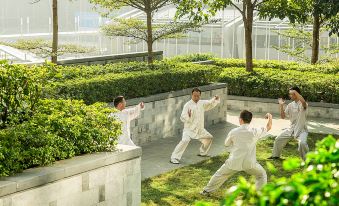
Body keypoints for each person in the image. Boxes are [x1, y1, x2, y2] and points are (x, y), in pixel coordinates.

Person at [200, 110, 272, 195]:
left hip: (234, 161)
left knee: (220, 174)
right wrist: (270, 116)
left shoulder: (233, 131)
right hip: (249, 163)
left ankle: (206, 191)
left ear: (240, 120)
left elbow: (226, 144)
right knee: (262, 175)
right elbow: (269, 126)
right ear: (250, 120)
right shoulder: (255, 131)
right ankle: (258, 195)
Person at [170, 87, 220, 164]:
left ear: (200, 96)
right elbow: (182, 117)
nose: (196, 97)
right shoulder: (187, 105)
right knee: (185, 140)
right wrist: (189, 116)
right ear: (192, 95)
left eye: (198, 96)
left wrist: (215, 99)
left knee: (209, 138)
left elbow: (210, 103)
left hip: (200, 129)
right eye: (194, 95)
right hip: (189, 129)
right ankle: (174, 158)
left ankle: (203, 153)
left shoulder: (202, 103)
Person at [268, 86, 309, 161]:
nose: (289, 96)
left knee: (302, 143)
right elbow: (283, 116)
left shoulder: (304, 103)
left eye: (291, 94)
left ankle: (307, 160)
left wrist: (295, 92)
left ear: (296, 94)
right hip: (291, 129)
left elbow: (303, 102)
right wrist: (281, 105)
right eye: (289, 94)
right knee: (278, 139)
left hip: (301, 130)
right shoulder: (290, 105)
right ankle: (275, 156)